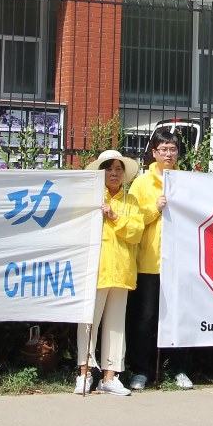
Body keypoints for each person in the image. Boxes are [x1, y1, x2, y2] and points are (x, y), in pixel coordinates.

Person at [125, 130, 194, 390]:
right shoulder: (142, 183)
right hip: (150, 261)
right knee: (145, 318)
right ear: (153, 153)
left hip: (180, 262)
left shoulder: (187, 182)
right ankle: (141, 370)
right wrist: (155, 208)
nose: (168, 154)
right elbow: (133, 220)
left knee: (178, 316)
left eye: (173, 149)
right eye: (163, 149)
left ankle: (179, 368)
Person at [78, 149, 143, 397]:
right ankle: (84, 373)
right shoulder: (91, 199)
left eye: (118, 169)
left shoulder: (130, 201)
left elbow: (136, 233)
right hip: (95, 270)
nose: (114, 173)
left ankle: (110, 375)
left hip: (122, 270)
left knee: (116, 326)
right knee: (88, 322)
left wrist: (114, 217)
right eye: (109, 168)